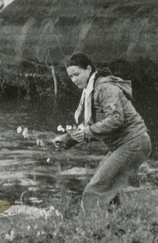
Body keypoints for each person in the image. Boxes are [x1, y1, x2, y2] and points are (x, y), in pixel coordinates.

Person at [54, 53, 152, 213]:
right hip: (128, 144)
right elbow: (93, 127)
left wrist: (87, 132)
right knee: (108, 190)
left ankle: (94, 231)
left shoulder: (105, 88)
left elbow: (115, 119)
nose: (74, 80)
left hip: (134, 142)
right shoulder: (91, 90)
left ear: (89, 69)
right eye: (71, 76)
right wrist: (68, 139)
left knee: (94, 191)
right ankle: (116, 225)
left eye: (77, 74)